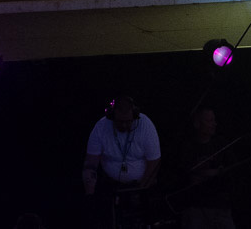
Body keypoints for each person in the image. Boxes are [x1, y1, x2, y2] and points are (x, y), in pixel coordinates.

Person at [82, 96, 162, 227]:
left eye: (128, 121)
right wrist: (90, 195)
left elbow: (154, 161)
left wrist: (140, 190)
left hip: (142, 185)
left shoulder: (146, 125)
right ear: (112, 117)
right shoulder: (101, 127)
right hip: (112, 186)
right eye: (120, 122)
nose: (124, 125)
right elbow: (91, 164)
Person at [177, 106, 237, 229]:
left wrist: (209, 173)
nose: (214, 124)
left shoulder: (221, 144)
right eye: (209, 121)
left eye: (214, 120)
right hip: (196, 207)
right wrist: (210, 173)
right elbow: (185, 174)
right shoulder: (188, 147)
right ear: (197, 124)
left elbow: (231, 170)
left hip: (220, 206)